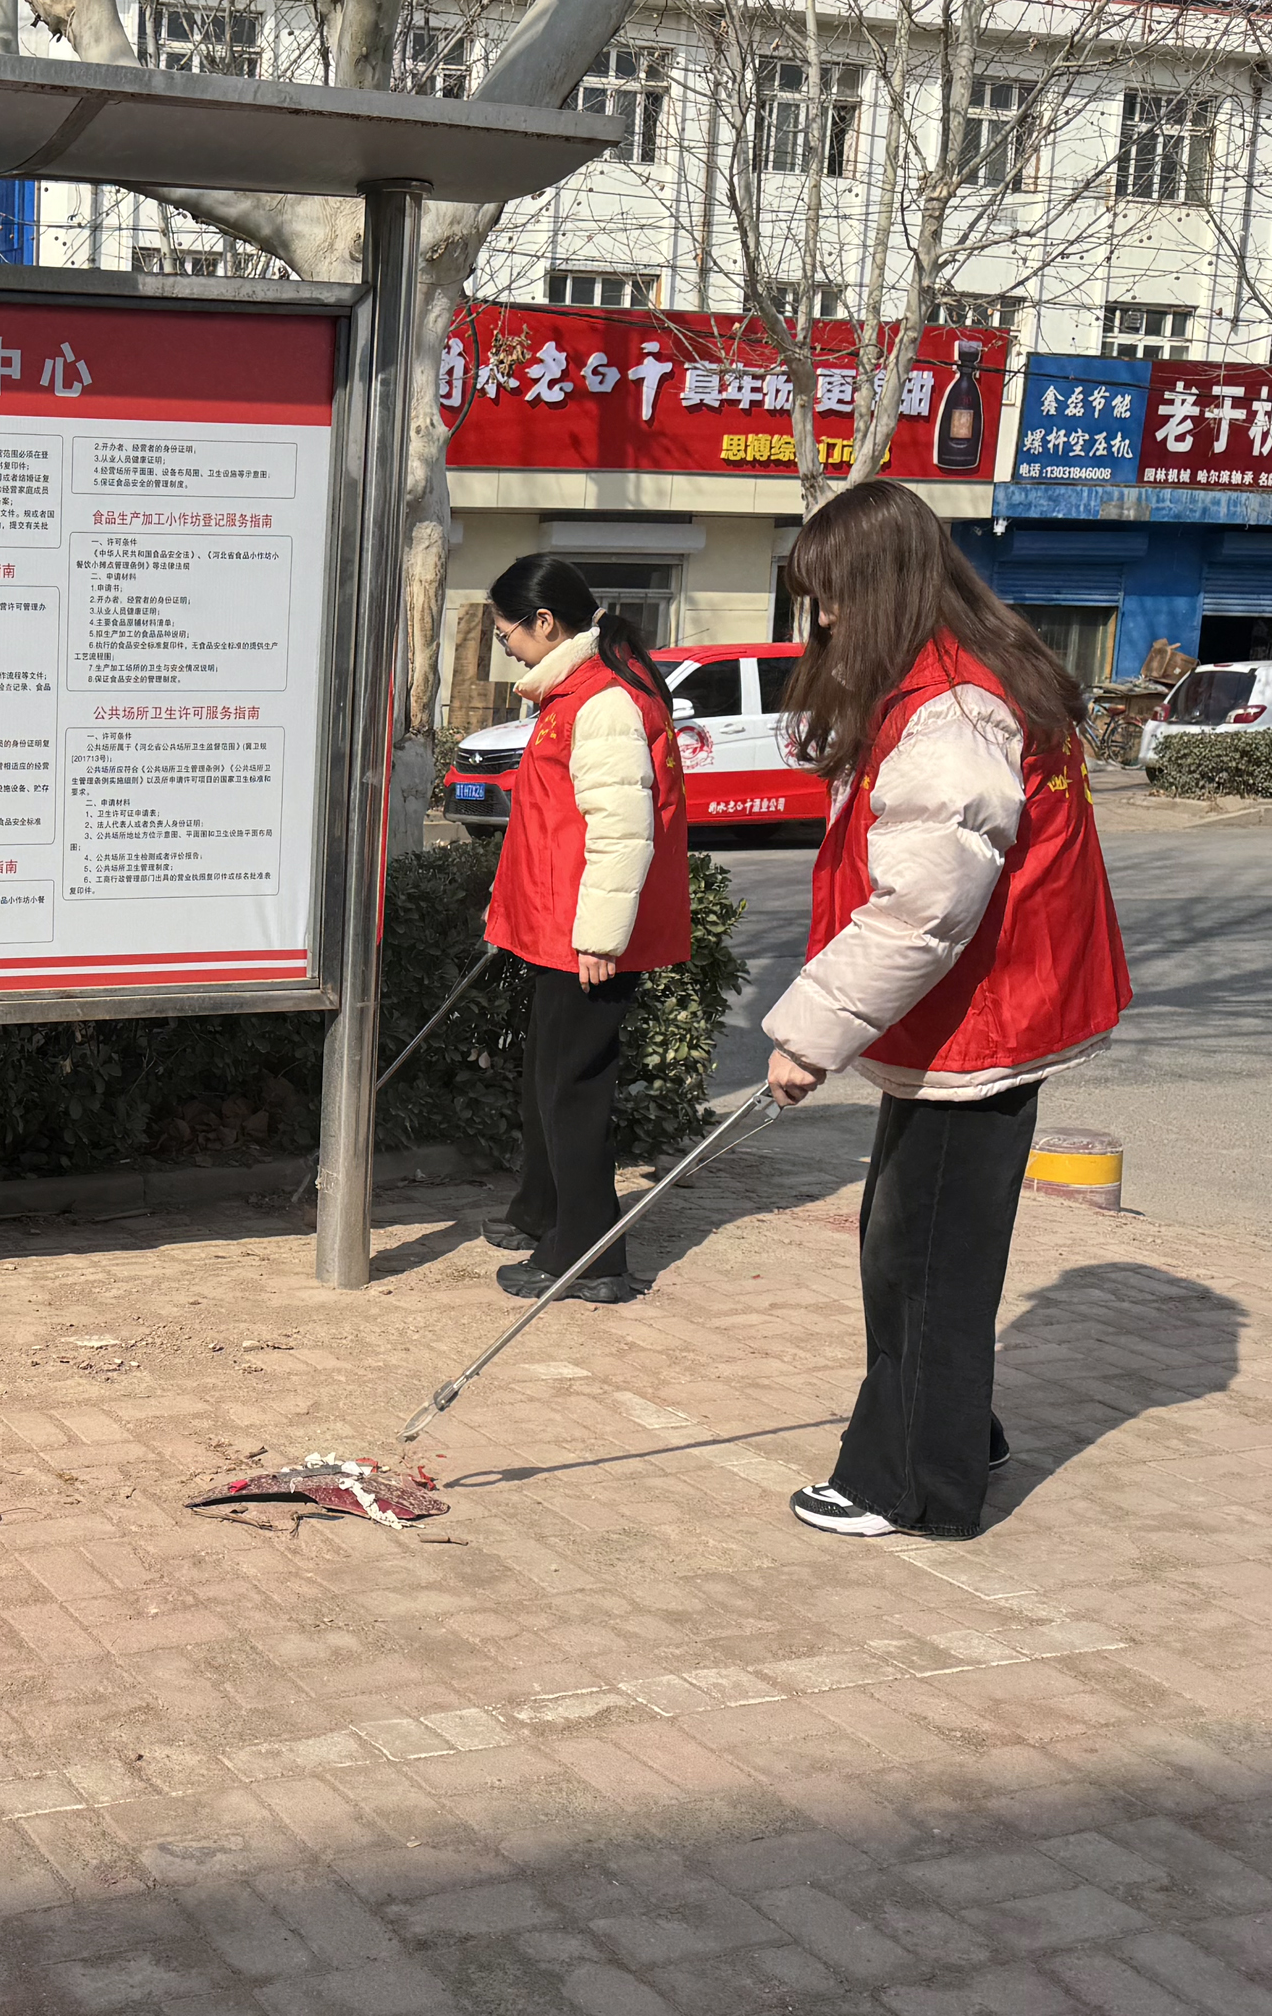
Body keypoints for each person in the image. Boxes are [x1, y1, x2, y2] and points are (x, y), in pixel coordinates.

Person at [761, 480, 1130, 1540]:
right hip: (966, 1020)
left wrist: (808, 1036)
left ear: (882, 584)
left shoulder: (954, 712)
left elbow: (922, 911)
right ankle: (959, 1431)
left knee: (921, 1261)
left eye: (834, 594)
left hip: (979, 1021)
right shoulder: (958, 675)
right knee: (919, 1249)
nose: (825, 617)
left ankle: (912, 1485)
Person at [477, 555, 693, 1304]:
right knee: (548, 1076)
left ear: (544, 622)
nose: (505, 646)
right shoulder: (574, 692)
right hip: (557, 927)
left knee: (574, 1090)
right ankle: (541, 1209)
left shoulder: (601, 702)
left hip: (585, 939)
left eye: (506, 632)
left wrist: (601, 937)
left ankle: (590, 1255)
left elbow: (623, 831)